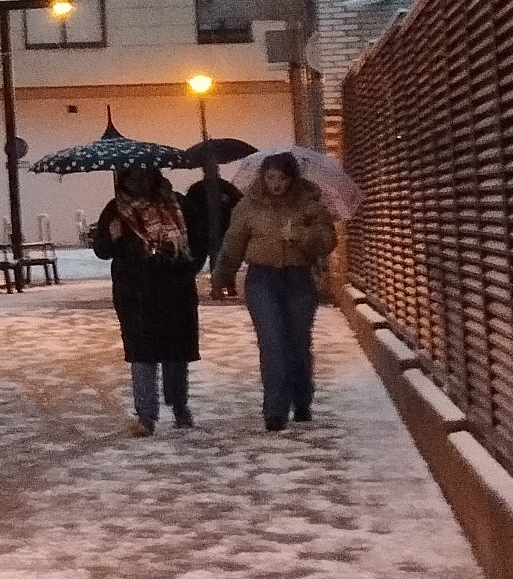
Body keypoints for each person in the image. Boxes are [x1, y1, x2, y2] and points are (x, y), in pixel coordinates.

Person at [214, 150, 339, 430]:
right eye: (270, 177)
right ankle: (274, 410)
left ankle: (302, 400)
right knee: (272, 344)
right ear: (263, 177)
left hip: (298, 280)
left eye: (282, 178)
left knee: (297, 344)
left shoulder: (309, 202)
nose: (276, 184)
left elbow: (327, 241)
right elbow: (233, 242)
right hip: (262, 280)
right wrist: (222, 276)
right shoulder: (250, 205)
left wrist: (299, 235)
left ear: (292, 178)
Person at [87, 163, 202, 434]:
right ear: (124, 179)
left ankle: (179, 406)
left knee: (176, 352)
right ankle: (146, 416)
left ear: (155, 175)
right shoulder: (115, 209)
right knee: (142, 353)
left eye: (145, 174)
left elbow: (197, 242)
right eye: (133, 176)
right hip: (135, 293)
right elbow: (102, 251)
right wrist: (111, 236)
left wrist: (185, 266)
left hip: (175, 289)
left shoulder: (177, 204)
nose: (139, 181)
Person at [182, 158, 241, 280]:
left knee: (220, 258)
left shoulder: (226, 188)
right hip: (201, 231)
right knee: (198, 258)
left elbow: (240, 204)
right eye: (208, 169)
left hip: (222, 229)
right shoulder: (197, 189)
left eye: (212, 169)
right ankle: (192, 280)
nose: (210, 172)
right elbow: (188, 209)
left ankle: (221, 284)